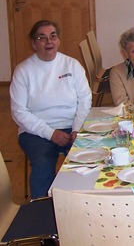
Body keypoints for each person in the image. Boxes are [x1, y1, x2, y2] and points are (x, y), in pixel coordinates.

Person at [10, 20, 92, 198]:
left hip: (72, 127)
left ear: (59, 40)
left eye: (53, 36)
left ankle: (81, 206)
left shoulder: (72, 65)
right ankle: (43, 213)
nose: (49, 41)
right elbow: (19, 112)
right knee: (43, 165)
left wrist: (77, 128)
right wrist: (50, 133)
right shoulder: (23, 71)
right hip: (36, 132)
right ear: (33, 43)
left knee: (87, 161)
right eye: (42, 37)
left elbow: (85, 99)